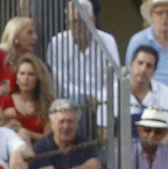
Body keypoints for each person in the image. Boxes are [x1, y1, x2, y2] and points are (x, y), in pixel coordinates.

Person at [46, 1, 117, 132]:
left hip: (104, 99)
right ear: (67, 22)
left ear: (93, 20)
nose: (78, 26)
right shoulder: (58, 43)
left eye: (82, 21)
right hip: (70, 99)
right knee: (76, 102)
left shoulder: (107, 41)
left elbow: (114, 78)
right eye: (74, 22)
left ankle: (105, 150)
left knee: (114, 101)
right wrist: (85, 97)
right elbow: (60, 83)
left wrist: (99, 99)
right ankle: (83, 148)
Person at [127, 44, 168, 142]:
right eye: (140, 63)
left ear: (154, 71)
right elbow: (104, 131)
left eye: (149, 66)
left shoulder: (166, 93)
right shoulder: (113, 91)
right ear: (131, 64)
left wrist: (155, 153)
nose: (143, 69)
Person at [0, 54, 53, 145]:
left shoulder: (47, 102)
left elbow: (49, 138)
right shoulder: (6, 101)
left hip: (40, 151)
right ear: (16, 79)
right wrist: (6, 121)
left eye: (31, 74)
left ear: (38, 79)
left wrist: (26, 132)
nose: (26, 78)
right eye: (22, 74)